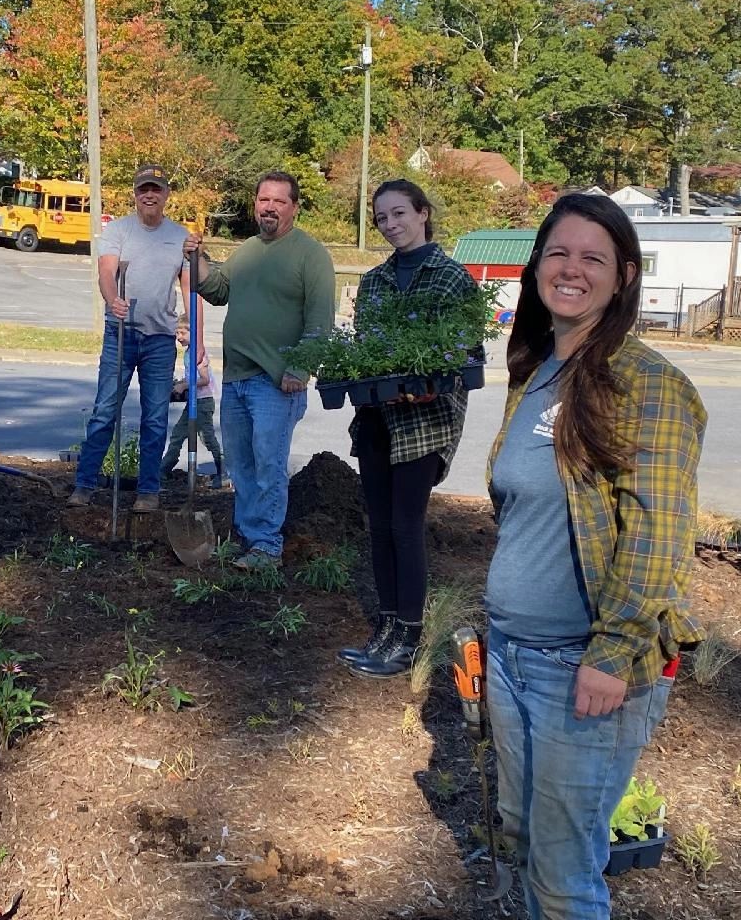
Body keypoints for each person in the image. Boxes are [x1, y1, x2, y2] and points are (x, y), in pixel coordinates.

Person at [483, 193, 706, 919]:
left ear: (624, 277)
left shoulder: (649, 386)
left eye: (593, 257)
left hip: (582, 670)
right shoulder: (536, 370)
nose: (571, 269)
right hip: (514, 656)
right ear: (537, 266)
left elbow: (657, 535)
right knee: (523, 837)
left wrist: (611, 655)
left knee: (563, 872)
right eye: (558, 252)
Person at [339, 180, 479, 678]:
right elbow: (368, 350)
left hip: (424, 423)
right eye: (382, 218)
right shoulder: (375, 281)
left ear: (423, 213)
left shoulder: (451, 278)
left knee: (405, 525)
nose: (391, 224)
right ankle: (386, 627)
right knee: (378, 527)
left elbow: (466, 357)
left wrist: (429, 385)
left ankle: (410, 636)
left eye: (399, 213)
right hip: (377, 417)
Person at [184, 171, 335, 568]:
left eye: (279, 201)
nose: (269, 207)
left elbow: (321, 320)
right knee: (242, 464)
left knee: (269, 464)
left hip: (276, 382)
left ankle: (267, 545)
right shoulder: (248, 249)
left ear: (294, 208)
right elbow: (215, 290)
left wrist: (299, 369)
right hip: (236, 379)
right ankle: (249, 538)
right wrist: (196, 259)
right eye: (263, 200)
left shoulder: (311, 254)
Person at [67, 163, 192, 513]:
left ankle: (148, 492)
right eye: (143, 190)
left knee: (154, 416)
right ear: (135, 195)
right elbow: (106, 270)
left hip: (160, 340)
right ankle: (85, 485)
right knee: (105, 410)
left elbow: (187, 285)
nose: (149, 195)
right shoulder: (118, 231)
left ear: (166, 194)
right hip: (120, 334)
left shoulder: (180, 236)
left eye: (155, 189)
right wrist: (112, 299)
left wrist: (191, 326)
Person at [160, 337, 227, 488]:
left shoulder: (198, 353)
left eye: (183, 332)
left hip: (203, 403)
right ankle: (163, 470)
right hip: (193, 402)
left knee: (207, 438)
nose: (179, 336)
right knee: (178, 434)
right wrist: (180, 384)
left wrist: (184, 385)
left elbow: (205, 379)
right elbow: (193, 377)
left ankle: (223, 472)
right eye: (177, 332)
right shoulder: (188, 353)